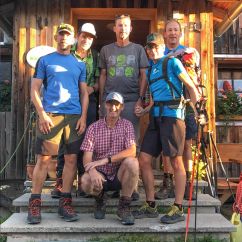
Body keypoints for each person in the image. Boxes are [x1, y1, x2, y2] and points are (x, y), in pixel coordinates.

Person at [133, 32, 201, 224]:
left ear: (163, 48)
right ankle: (151, 204)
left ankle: (178, 208)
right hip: (156, 118)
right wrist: (144, 110)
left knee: (176, 162)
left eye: (156, 46)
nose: (152, 50)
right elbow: (155, 99)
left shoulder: (172, 63)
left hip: (173, 118)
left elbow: (190, 87)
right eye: (149, 47)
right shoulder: (151, 69)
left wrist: (196, 111)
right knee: (144, 159)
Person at [27, 23, 88, 224]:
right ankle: (34, 205)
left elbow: (84, 93)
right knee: (43, 160)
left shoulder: (80, 64)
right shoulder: (45, 61)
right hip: (50, 115)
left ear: (73, 40)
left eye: (67, 35)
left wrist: (83, 116)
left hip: (73, 117)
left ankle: (65, 202)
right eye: (61, 34)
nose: (64, 38)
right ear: (56, 37)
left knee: (71, 160)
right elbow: (35, 89)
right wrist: (42, 114)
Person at [98, 14, 149, 200]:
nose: (123, 29)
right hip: (110, 102)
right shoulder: (105, 50)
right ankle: (111, 183)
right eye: (120, 25)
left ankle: (132, 187)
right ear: (114, 28)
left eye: (126, 26)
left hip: (130, 101)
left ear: (131, 28)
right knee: (110, 142)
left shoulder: (138, 50)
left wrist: (140, 99)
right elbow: (103, 75)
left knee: (131, 144)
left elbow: (144, 75)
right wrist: (102, 101)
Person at [50, 22, 99, 198]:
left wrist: (90, 90)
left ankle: (83, 182)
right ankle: (61, 182)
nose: (86, 39)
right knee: (65, 142)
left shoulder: (96, 56)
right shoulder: (67, 54)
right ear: (77, 37)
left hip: (89, 100)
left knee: (86, 141)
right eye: (84, 36)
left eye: (90, 37)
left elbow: (100, 80)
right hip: (68, 102)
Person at [154, 19, 200, 200]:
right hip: (167, 106)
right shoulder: (159, 53)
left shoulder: (190, 52)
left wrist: (197, 105)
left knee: (187, 144)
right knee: (167, 146)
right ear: (164, 34)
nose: (172, 33)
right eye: (169, 30)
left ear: (179, 33)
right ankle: (168, 183)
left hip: (187, 104)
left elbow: (195, 77)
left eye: (175, 30)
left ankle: (188, 183)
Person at [80, 92, 139, 225]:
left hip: (119, 173)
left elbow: (132, 151)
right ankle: (100, 199)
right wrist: (92, 171)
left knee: (133, 162)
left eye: (117, 104)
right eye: (110, 104)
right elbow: (87, 156)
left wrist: (107, 159)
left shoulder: (127, 125)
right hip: (100, 175)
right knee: (84, 181)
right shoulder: (93, 128)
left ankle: (123, 206)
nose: (113, 107)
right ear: (104, 106)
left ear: (122, 107)